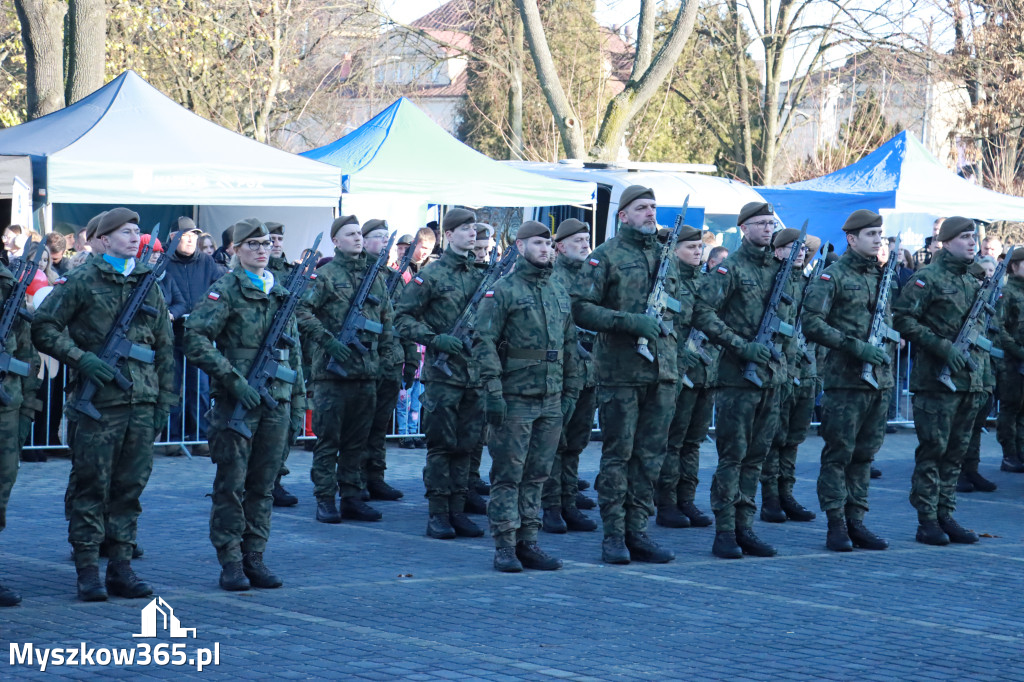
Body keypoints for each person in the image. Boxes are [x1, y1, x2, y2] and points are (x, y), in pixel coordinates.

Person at [32, 207, 175, 601]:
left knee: (129, 489)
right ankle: (88, 570)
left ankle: (121, 567)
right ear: (104, 239)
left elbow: (164, 345)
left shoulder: (148, 282)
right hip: (98, 405)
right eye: (125, 233)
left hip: (142, 402)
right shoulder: (81, 279)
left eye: (137, 232)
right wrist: (81, 358)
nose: (134, 238)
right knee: (92, 487)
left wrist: (166, 400)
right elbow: (43, 327)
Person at [184, 220, 304, 591]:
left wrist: (298, 404)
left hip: (276, 402)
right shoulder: (226, 289)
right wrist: (233, 379)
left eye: (266, 243)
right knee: (231, 486)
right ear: (235, 249)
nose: (261, 249)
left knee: (264, 486)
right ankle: (231, 561)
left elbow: (294, 353)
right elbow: (195, 337)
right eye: (252, 244)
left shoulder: (280, 291)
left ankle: (255, 556)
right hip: (237, 404)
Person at [571, 185, 679, 565]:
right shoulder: (606, 257)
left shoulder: (667, 256)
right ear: (623, 215)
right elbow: (581, 308)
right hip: (620, 371)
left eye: (653, 206)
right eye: (642, 208)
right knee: (619, 455)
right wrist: (628, 322)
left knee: (650, 457)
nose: (650, 213)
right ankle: (614, 535)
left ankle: (638, 531)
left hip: (662, 371)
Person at [476, 221, 580, 572]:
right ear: (519, 247)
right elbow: (484, 342)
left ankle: (529, 542)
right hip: (514, 395)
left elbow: (570, 345)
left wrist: (570, 391)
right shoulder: (502, 290)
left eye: (549, 243)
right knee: (508, 474)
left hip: (550, 398)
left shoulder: (558, 290)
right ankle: (505, 544)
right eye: (538, 243)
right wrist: (492, 390)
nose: (546, 248)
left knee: (538, 474)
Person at [693, 201, 795, 560]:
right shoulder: (730, 269)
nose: (768, 229)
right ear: (743, 228)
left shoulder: (779, 271)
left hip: (770, 377)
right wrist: (740, 346)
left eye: (771, 223)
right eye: (760, 223)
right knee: (733, 457)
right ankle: (724, 530)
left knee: (756, 457)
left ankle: (745, 526)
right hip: (738, 377)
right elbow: (702, 312)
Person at [802, 210, 897, 552]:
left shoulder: (882, 277)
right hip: (845, 381)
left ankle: (857, 521)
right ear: (852, 239)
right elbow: (811, 322)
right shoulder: (833, 277)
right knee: (839, 455)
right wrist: (852, 346)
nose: (878, 240)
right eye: (871, 234)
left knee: (865, 457)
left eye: (880, 234)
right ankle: (836, 524)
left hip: (878, 382)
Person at [893, 216, 990, 546]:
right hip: (936, 382)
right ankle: (927, 520)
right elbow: (903, 318)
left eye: (973, 237)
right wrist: (941, 347)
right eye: (964, 237)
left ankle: (946, 513)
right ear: (946, 242)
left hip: (968, 381)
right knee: (933, 451)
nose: (972, 242)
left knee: (955, 454)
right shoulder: (927, 279)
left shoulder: (972, 281)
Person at [297, 215, 397, 524]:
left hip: (366, 373)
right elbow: (301, 311)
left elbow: (387, 323)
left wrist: (388, 363)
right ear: (336, 241)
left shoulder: (375, 277)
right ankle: (325, 498)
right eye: (349, 234)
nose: (356, 238)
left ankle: (352, 496)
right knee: (329, 441)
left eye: (358, 234)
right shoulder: (325, 275)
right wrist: (328, 342)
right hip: (332, 374)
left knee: (358, 441)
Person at [394, 208, 486, 540]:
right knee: (441, 447)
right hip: (443, 376)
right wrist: (434, 339)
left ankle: (458, 509)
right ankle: (438, 513)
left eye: (474, 228)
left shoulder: (481, 275)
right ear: (448, 235)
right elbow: (402, 318)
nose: (472, 233)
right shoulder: (431, 276)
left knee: (466, 446)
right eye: (464, 228)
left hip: (474, 375)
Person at [655, 225, 716, 530]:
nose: (697, 251)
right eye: (690, 247)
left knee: (693, 442)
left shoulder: (706, 281)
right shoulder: (667, 282)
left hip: (704, 373)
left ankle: (687, 499)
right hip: (678, 371)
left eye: (699, 247)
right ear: (674, 250)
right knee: (673, 442)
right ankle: (666, 502)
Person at [541, 218, 600, 534]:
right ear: (560, 246)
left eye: (587, 238)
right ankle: (551, 506)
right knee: (555, 442)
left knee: (576, 442)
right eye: (577, 239)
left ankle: (568, 501)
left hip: (589, 372)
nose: (585, 243)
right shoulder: (551, 277)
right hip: (561, 373)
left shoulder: (594, 275)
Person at [759, 231, 819, 525]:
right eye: (790, 247)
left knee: (793, 438)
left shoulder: (809, 283)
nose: (799, 252)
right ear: (777, 251)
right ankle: (770, 498)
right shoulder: (772, 280)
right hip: (778, 369)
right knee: (774, 437)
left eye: (803, 248)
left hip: (805, 371)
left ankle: (787, 493)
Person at [0, 224, 42, 606]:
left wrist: (29, 405)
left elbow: (27, 353)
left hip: (6, 406)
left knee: (0, 490)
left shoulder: (9, 283)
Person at [164, 216, 224, 452]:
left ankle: (199, 437)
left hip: (200, 336)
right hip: (171, 336)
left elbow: (221, 290)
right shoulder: (164, 263)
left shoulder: (208, 263)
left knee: (200, 388)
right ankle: (172, 438)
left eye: (194, 236)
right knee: (172, 386)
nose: (191, 240)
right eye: (185, 236)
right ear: (172, 238)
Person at [360, 219, 408, 502]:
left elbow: (403, 319)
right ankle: (355, 479)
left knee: (379, 426)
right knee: (360, 426)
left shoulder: (393, 277)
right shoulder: (359, 274)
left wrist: (410, 361)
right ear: (364, 242)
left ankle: (375, 477)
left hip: (391, 361)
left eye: (385, 237)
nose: (383, 243)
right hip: (365, 361)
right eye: (377, 237)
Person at [262, 221, 302, 507]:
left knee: (291, 422)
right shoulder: (257, 275)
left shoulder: (292, 272)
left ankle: (276, 478)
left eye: (278, 238)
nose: (276, 243)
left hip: (291, 355)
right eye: (270, 239)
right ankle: (261, 481)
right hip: (263, 357)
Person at [958, 257, 1001, 493]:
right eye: (984, 272)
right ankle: (959, 472)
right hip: (969, 365)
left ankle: (972, 468)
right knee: (963, 424)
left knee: (977, 424)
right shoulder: (970, 296)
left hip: (986, 368)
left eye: (992, 271)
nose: (988, 276)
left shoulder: (995, 298)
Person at [994, 248, 1024, 474]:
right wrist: (1017, 350)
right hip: (1012, 362)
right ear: (1014, 266)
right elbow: (999, 327)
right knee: (1011, 407)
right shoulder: (1008, 292)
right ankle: (1009, 454)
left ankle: (1021, 451)